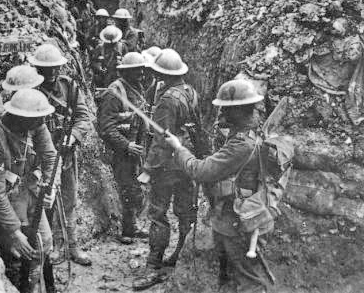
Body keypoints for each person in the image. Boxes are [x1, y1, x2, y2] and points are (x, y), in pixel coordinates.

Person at [163, 79, 272, 293]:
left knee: (247, 281)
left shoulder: (241, 145)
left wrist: (178, 148)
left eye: (226, 109)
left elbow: (199, 171)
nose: (222, 113)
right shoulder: (252, 132)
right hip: (235, 216)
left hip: (236, 221)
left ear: (239, 111)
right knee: (230, 276)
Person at [133, 48, 201, 291]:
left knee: (158, 214)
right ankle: (181, 257)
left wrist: (149, 169)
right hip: (187, 159)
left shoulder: (166, 100)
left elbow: (162, 139)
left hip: (167, 165)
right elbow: (198, 129)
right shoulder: (191, 92)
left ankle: (153, 264)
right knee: (185, 211)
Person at [0, 88, 58, 293]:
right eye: (35, 120)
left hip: (30, 190)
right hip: (6, 197)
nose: (40, 123)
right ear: (20, 117)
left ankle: (38, 286)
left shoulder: (35, 123)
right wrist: (14, 232)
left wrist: (51, 186)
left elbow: (50, 156)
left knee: (44, 242)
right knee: (15, 252)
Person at [29, 43, 93, 266]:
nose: (53, 72)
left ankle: (72, 246)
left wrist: (72, 136)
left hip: (66, 153)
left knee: (69, 199)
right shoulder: (31, 91)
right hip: (41, 157)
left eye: (56, 68)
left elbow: (84, 118)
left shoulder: (70, 87)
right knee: (46, 199)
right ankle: (52, 246)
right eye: (47, 68)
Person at [97, 52, 149, 244]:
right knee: (128, 188)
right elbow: (106, 127)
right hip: (122, 151)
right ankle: (127, 230)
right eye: (136, 71)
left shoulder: (137, 87)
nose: (141, 74)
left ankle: (132, 226)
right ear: (125, 72)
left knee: (135, 187)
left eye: (141, 70)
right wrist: (126, 145)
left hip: (137, 147)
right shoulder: (114, 93)